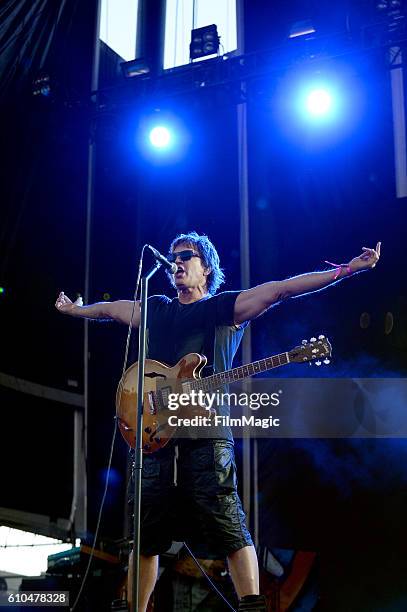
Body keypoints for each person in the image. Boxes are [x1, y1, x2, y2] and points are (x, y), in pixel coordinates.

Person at [55, 232, 381, 611]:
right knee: (147, 535)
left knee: (228, 524)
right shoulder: (157, 308)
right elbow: (113, 310)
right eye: (173, 257)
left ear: (206, 267)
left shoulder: (223, 309)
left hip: (205, 434)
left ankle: (252, 606)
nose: (176, 262)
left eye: (186, 256)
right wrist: (77, 311)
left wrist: (346, 270)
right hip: (152, 435)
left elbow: (281, 290)